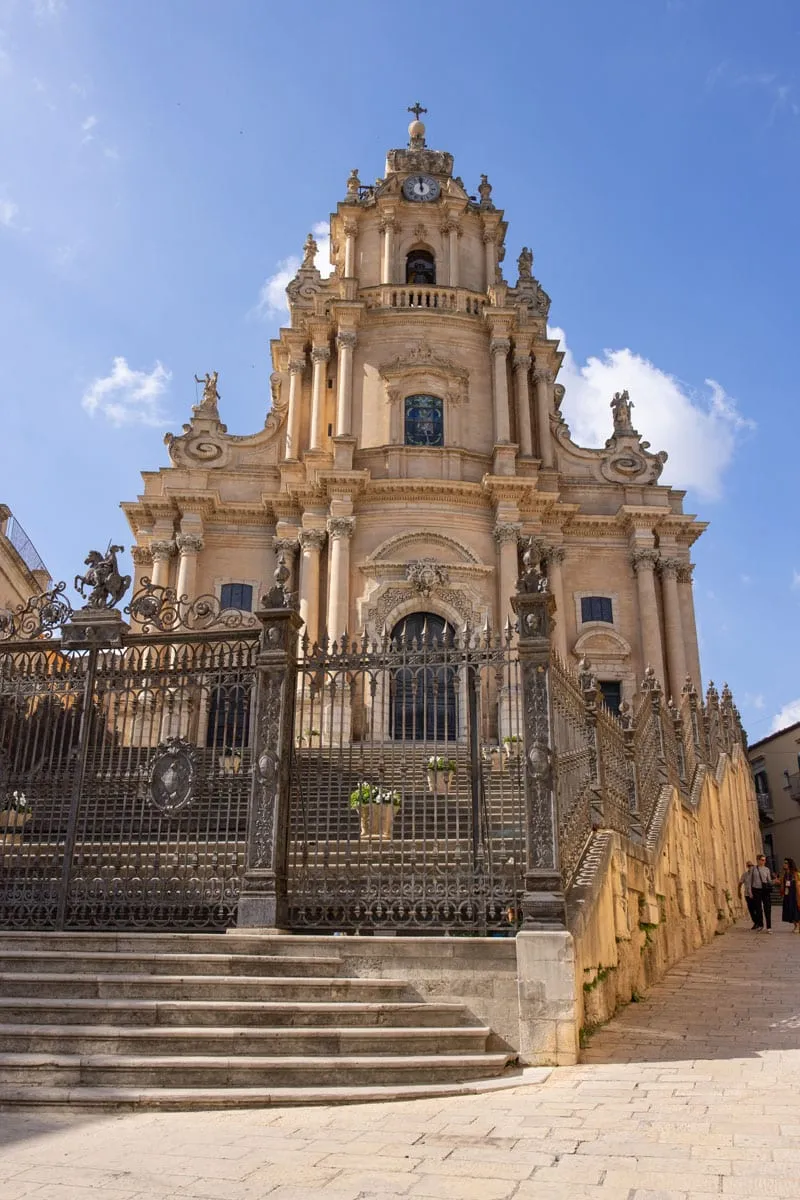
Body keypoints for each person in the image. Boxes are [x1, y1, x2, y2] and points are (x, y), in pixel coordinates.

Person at [749, 854, 774, 932]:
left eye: (765, 860)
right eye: (762, 860)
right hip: (756, 890)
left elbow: (769, 881)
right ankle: (760, 925)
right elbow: (750, 881)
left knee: (767, 908)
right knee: (758, 908)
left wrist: (774, 882)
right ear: (758, 860)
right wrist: (750, 892)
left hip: (765, 890)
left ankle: (769, 927)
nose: (764, 861)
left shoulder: (767, 869)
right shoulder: (753, 869)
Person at [778, 858, 800, 933]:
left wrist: (798, 895)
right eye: (784, 863)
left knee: (795, 909)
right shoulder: (784, 874)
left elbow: (797, 884)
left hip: (794, 895)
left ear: (790, 864)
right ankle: (795, 925)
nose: (784, 864)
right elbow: (782, 884)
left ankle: (798, 925)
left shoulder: (795, 873)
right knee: (789, 910)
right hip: (787, 895)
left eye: (786, 863)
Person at [738, 861, 759, 929]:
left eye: (751, 865)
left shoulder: (756, 874)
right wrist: (739, 892)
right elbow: (740, 883)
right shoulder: (745, 875)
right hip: (747, 894)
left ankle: (758, 922)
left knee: (757, 908)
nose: (750, 867)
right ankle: (756, 922)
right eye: (749, 866)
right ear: (747, 867)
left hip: (755, 894)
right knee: (751, 909)